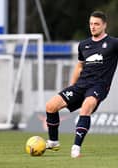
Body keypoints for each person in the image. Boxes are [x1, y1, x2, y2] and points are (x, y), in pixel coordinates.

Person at [45, 11, 118, 158]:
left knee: (86, 108)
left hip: (99, 86)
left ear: (104, 25)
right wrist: (72, 86)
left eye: (96, 24)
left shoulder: (114, 43)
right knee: (51, 106)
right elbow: (79, 66)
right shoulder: (84, 45)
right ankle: (53, 141)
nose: (93, 27)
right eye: (91, 24)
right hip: (81, 85)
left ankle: (76, 148)